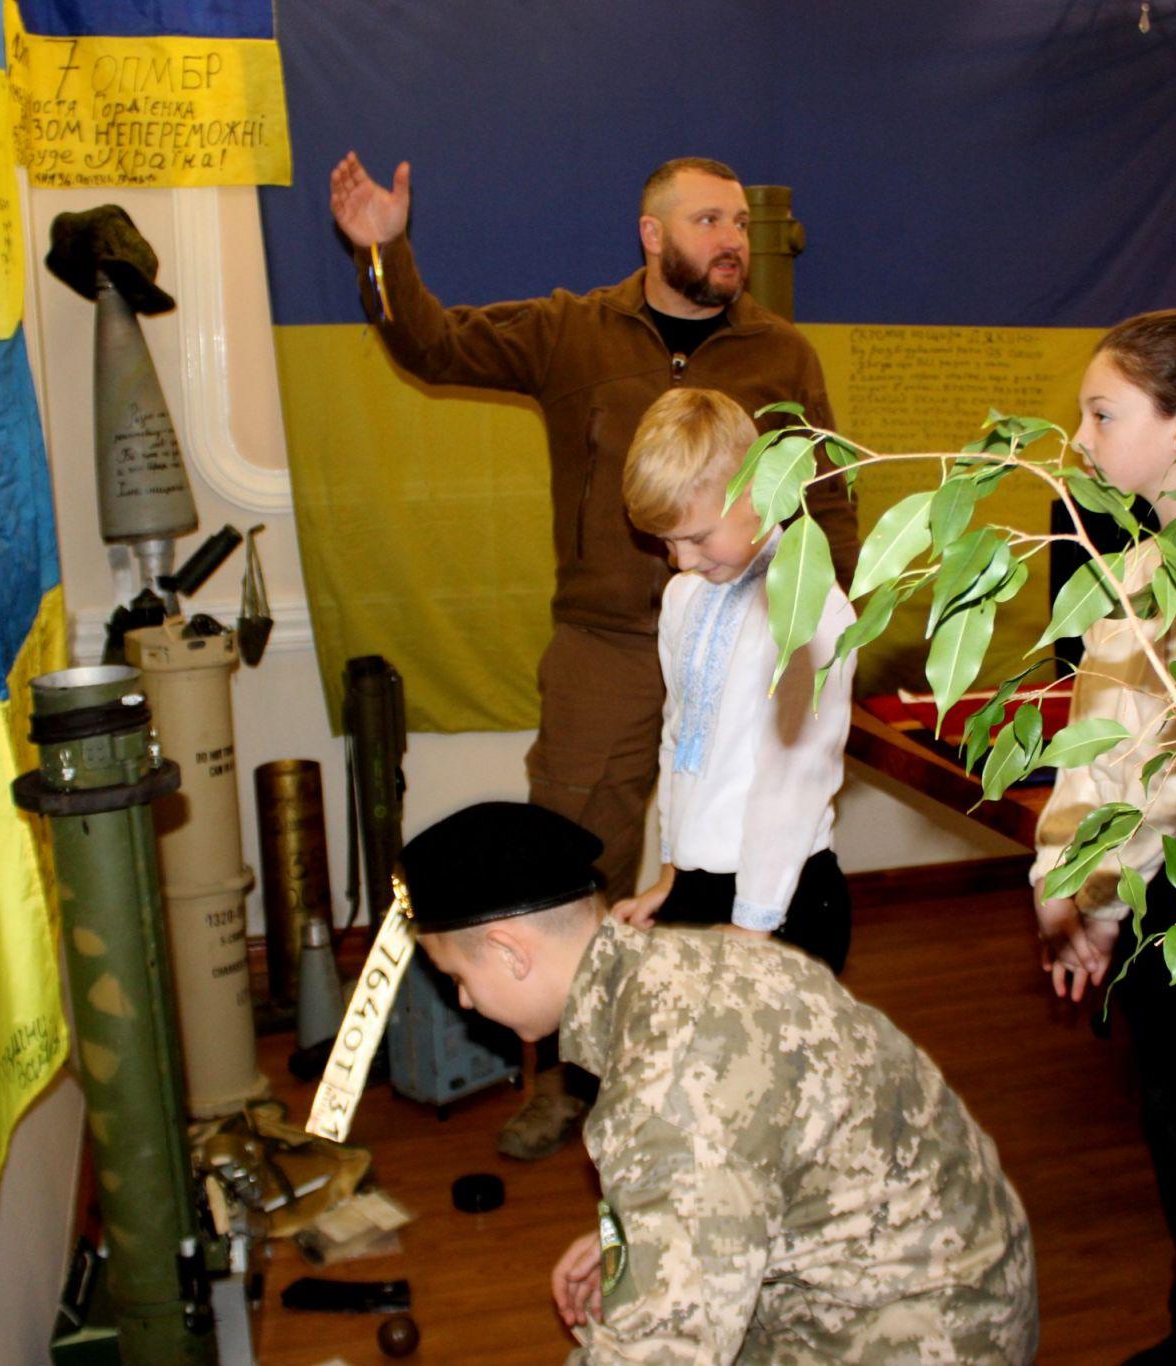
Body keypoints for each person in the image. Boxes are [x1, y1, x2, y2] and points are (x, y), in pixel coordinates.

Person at [331, 151, 859, 1159]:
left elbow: (826, 489)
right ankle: (573, 1080)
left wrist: (804, 617)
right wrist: (384, 253)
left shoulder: (781, 353)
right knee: (568, 867)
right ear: (651, 234)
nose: (731, 241)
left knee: (752, 834)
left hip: (748, 627)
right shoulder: (572, 330)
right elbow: (433, 344)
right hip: (612, 640)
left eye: (739, 222)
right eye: (707, 221)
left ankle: (728, 1073)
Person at [400, 801, 1038, 1363]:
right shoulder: (685, 960)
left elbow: (661, 1354)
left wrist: (657, 1248)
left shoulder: (667, 1095)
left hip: (925, 1333)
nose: (463, 1000)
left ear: (511, 951)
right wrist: (644, 1232)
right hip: (942, 1268)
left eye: (457, 975)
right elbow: (739, 1154)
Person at [1027, 310, 1176, 1363]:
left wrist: (1096, 890)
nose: (1079, 438)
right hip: (1161, 907)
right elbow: (1102, 751)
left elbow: (1169, 780)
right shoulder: (1145, 565)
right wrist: (1075, 891)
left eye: (1101, 413)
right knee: (1172, 1130)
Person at [607, 387, 855, 973]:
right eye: (665, 542)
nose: (681, 560)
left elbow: (793, 781)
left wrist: (751, 925)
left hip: (782, 895)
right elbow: (678, 741)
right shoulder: (683, 596)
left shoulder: (808, 606)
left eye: (696, 537)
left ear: (760, 490)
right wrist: (670, 874)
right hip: (702, 885)